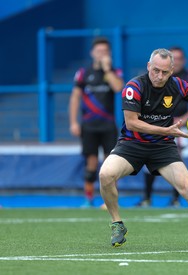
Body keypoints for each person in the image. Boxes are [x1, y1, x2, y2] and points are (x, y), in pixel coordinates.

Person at [98, 48, 188, 249]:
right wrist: (166, 131)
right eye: (155, 70)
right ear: (148, 66)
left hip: (162, 145)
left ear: (172, 71)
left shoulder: (178, 84)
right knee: (105, 174)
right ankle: (117, 223)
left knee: (187, 187)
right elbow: (132, 123)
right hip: (132, 143)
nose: (159, 76)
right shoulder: (134, 87)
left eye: (165, 72)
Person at [137, 46, 188, 208]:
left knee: (175, 160)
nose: (176, 63)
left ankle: (175, 199)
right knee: (148, 158)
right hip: (155, 125)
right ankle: (147, 198)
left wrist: (186, 118)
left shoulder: (187, 78)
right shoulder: (151, 78)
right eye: (173, 58)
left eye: (179, 59)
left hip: (178, 126)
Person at [69, 37, 124, 207]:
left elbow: (118, 88)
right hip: (89, 125)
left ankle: (109, 201)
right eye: (99, 51)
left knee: (110, 164)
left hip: (108, 125)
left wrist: (107, 69)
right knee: (91, 162)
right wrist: (73, 122)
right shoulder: (83, 73)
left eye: (105, 51)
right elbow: (75, 98)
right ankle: (88, 198)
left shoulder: (114, 72)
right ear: (92, 53)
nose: (102, 54)